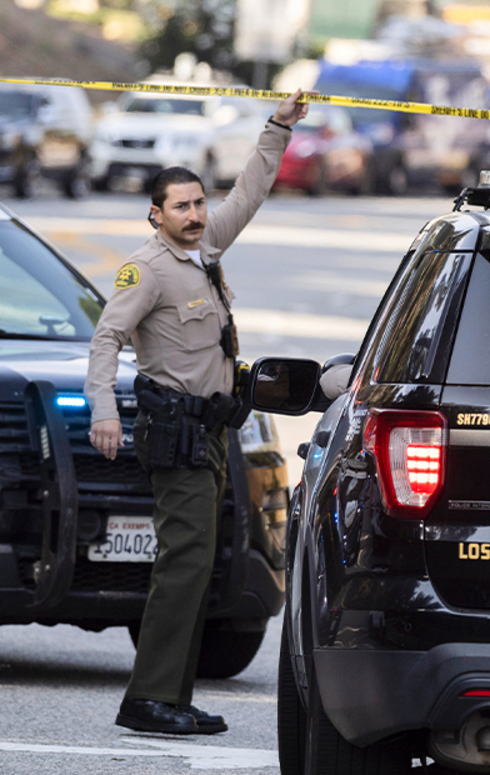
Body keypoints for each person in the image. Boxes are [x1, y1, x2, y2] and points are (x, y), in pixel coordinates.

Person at [85, 90, 310, 736]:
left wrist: (277, 129)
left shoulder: (207, 248)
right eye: (180, 206)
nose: (194, 213)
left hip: (212, 433)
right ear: (154, 215)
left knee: (200, 566)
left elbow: (252, 191)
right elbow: (106, 340)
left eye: (197, 203)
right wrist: (105, 409)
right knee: (182, 566)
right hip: (176, 435)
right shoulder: (146, 271)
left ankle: (171, 697)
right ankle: (149, 698)